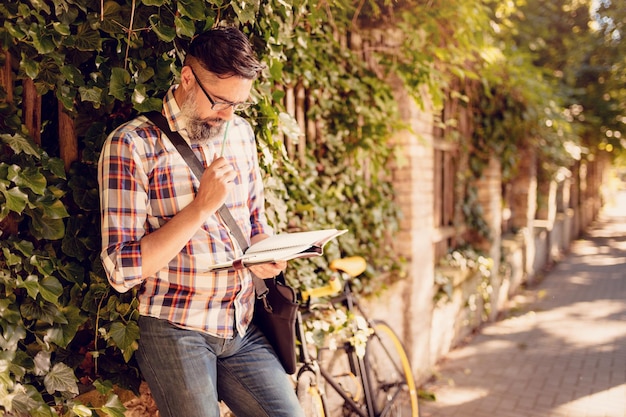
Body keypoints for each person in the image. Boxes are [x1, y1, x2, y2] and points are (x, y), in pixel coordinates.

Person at [98, 26, 304, 417]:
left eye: (237, 105)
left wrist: (265, 253)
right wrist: (199, 208)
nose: (228, 115)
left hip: (240, 324)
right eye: (221, 101)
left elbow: (254, 220)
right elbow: (122, 270)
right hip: (176, 328)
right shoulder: (132, 145)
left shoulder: (241, 133)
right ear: (188, 78)